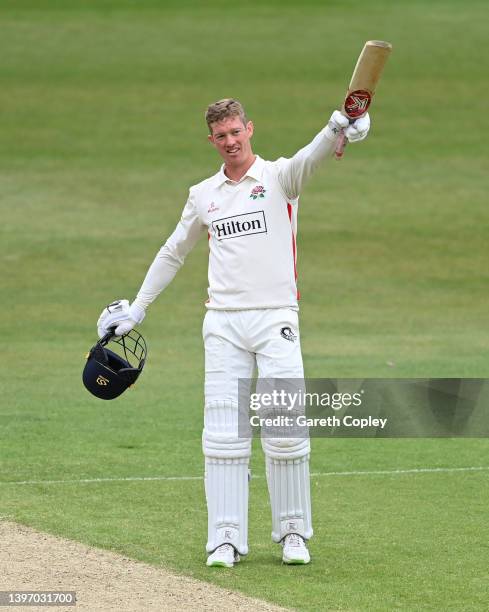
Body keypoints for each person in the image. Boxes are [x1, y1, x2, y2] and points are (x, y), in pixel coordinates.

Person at [97, 99, 370, 567]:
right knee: (223, 437)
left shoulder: (280, 178)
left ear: (250, 129)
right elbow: (172, 251)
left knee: (285, 431)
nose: (230, 142)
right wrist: (138, 308)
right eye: (220, 136)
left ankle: (292, 534)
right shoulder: (204, 194)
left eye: (235, 132)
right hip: (223, 323)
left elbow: (313, 155)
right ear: (212, 140)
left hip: (276, 317)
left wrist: (337, 127)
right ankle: (225, 538)